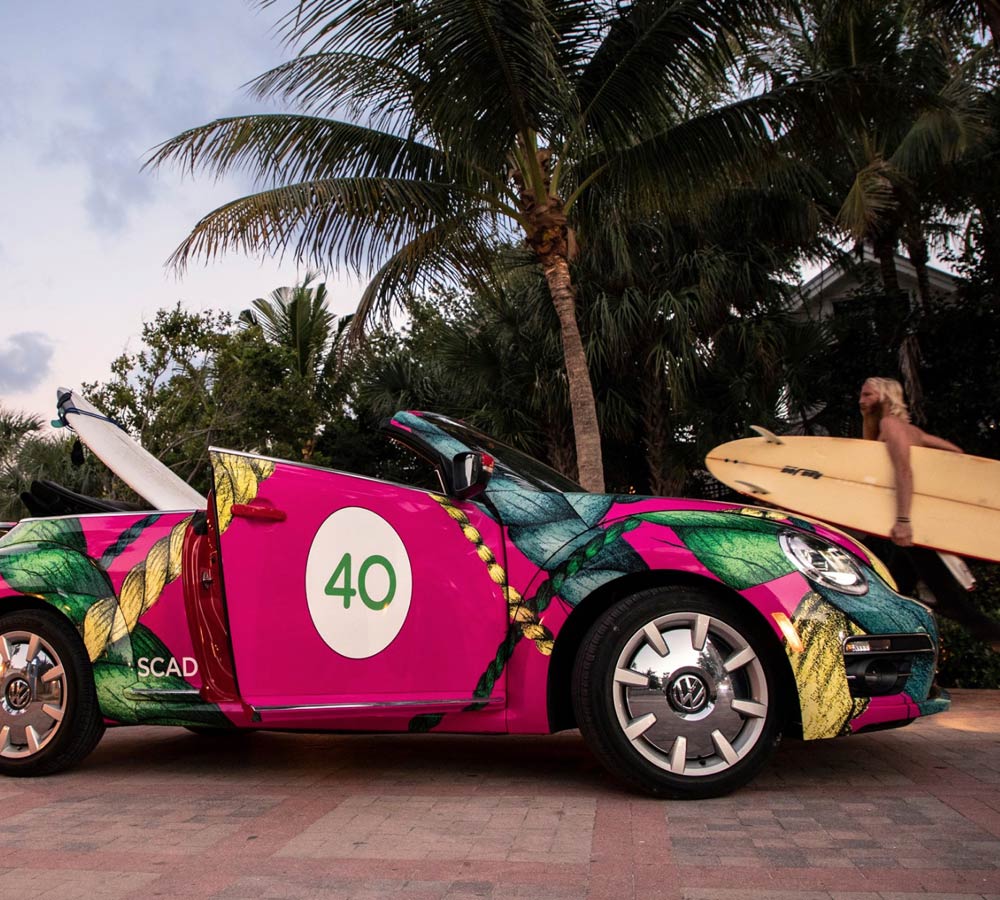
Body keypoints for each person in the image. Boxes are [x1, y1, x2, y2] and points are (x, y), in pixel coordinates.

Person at [859, 376, 1000, 650]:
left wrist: (903, 520)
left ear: (886, 396)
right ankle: (900, 661)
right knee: (891, 593)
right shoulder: (909, 430)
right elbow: (955, 453)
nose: (861, 400)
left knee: (948, 603)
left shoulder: (891, 426)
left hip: (912, 529)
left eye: (867, 394)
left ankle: (993, 635)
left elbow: (903, 470)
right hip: (914, 529)